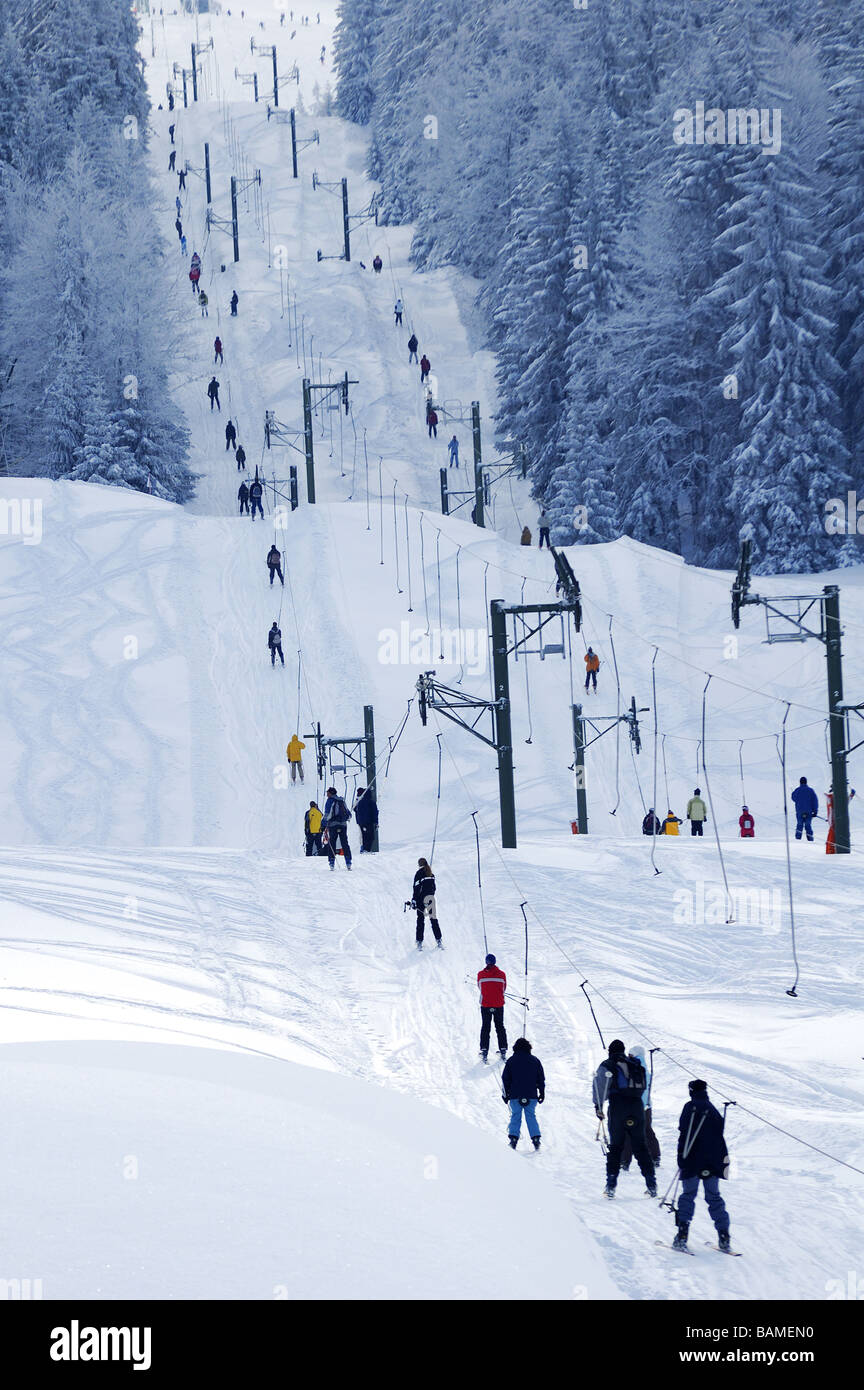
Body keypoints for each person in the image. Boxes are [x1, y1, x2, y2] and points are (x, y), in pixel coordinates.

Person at [672, 1079, 731, 1252]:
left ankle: (682, 1235)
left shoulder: (689, 1107)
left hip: (692, 1159)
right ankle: (724, 1236)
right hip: (713, 1160)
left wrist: (681, 1157)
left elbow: (684, 1132)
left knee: (688, 1195)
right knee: (714, 1197)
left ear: (691, 1090)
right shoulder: (712, 1109)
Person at [593, 1039, 656, 1197]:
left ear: (610, 1051)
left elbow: (600, 1087)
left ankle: (611, 1185)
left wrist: (599, 1108)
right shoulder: (633, 1064)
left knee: (615, 1147)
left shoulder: (608, 1065)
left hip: (618, 1108)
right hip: (637, 1108)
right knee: (640, 1146)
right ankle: (651, 1183)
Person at [620, 1044, 661, 1172]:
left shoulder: (632, 1068)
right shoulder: (646, 1070)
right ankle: (655, 1157)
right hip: (646, 1107)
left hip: (633, 1107)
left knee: (628, 1133)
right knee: (647, 1131)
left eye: (631, 1054)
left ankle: (625, 1161)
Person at [501, 1038, 545, 1151]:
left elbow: (505, 1079)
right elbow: (541, 1078)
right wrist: (542, 1092)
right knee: (531, 1116)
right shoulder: (535, 1060)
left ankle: (513, 1139)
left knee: (516, 1116)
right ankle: (536, 1139)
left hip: (515, 1095)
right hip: (531, 1095)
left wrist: (505, 1095)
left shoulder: (511, 1061)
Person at [477, 953, 508, 1061]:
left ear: (486, 962)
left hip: (485, 1005)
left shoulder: (480, 974)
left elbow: (480, 987)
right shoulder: (502, 974)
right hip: (499, 1004)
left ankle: (484, 1050)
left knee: (486, 1027)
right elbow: (504, 988)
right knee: (500, 1027)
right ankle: (503, 1049)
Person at [412, 857, 441, 948]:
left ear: (419, 865)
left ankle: (419, 941)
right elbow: (434, 888)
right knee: (433, 919)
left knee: (420, 919)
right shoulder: (431, 874)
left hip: (421, 899)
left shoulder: (418, 873)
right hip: (430, 898)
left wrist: (414, 900)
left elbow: (416, 888)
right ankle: (439, 939)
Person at [323, 787, 352, 869]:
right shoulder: (341, 800)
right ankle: (348, 861)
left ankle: (331, 862)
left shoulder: (330, 801)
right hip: (343, 824)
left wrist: (323, 824)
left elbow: (327, 814)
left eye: (327, 792)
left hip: (333, 825)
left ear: (331, 793)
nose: (326, 794)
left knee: (332, 842)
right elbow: (348, 813)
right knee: (344, 843)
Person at [825, 784, 855, 854]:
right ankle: (831, 852)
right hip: (836, 822)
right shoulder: (832, 797)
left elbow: (843, 804)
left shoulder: (832, 797)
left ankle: (831, 851)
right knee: (834, 837)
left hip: (835, 822)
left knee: (834, 837)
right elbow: (841, 805)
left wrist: (851, 796)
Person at [791, 775, 818, 842]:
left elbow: (793, 798)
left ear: (800, 782)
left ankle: (798, 839)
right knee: (808, 825)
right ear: (806, 782)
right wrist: (815, 811)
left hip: (799, 811)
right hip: (809, 812)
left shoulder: (797, 790)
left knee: (799, 825)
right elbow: (815, 801)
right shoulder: (811, 790)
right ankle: (810, 839)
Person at [353, 786, 379, 852]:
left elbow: (354, 809)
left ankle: (364, 849)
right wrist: (376, 822)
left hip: (360, 822)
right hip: (369, 822)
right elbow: (374, 813)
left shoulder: (358, 801)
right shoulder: (371, 802)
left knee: (363, 836)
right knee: (370, 837)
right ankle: (367, 849)